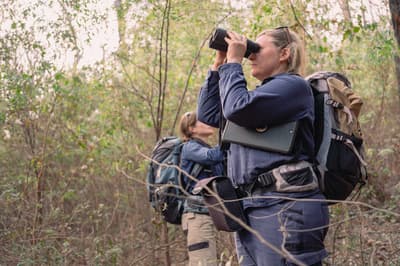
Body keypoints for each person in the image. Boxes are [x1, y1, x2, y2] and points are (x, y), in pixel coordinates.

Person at [197, 27, 330, 265]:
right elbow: (208, 115)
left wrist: (235, 61)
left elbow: (237, 108)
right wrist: (220, 63)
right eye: (250, 50)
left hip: (285, 206)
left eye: (257, 49)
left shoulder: (293, 87)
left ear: (284, 53)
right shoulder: (259, 97)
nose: (252, 56)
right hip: (251, 208)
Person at [179, 111, 225, 266]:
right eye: (202, 121)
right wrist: (231, 138)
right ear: (191, 129)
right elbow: (212, 156)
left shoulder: (208, 148)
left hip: (212, 216)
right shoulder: (190, 147)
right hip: (197, 218)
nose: (208, 122)